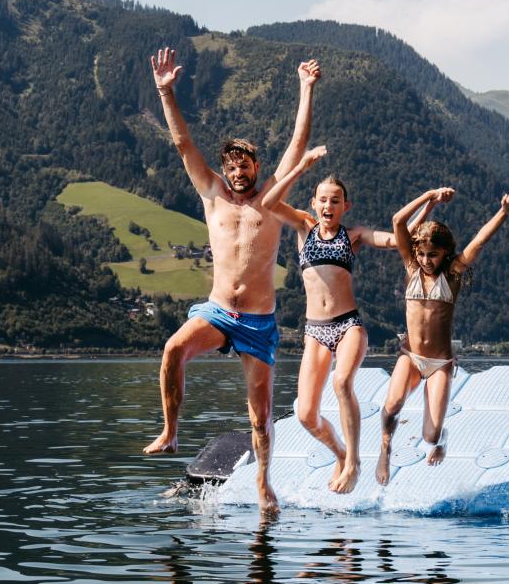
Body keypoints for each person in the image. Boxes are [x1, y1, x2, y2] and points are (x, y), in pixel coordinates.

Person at [142, 48, 321, 515]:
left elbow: (297, 147)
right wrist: (165, 92)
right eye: (232, 166)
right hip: (219, 311)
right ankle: (171, 431)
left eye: (247, 166)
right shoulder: (212, 193)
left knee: (260, 417)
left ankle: (263, 483)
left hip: (259, 320)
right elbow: (183, 144)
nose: (239, 173)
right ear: (225, 170)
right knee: (172, 350)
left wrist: (305, 89)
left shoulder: (272, 198)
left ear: (257, 168)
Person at [253, 154, 402, 492]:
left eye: (335, 200)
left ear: (345, 205)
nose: (328, 205)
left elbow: (393, 240)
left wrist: (417, 219)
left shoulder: (353, 236)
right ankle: (339, 453)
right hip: (315, 332)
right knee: (306, 414)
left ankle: (353, 463)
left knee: (342, 383)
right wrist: (301, 168)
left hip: (348, 325)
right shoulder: (304, 227)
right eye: (323, 199)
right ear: (314, 204)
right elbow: (269, 201)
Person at [375, 183, 509, 483]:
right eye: (421, 254)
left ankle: (442, 437)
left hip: (440, 365)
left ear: (445, 253)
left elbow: (480, 242)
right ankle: (385, 449)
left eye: (432, 255)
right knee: (392, 406)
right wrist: (429, 196)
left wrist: (504, 212)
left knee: (430, 435)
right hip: (410, 357)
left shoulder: (453, 273)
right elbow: (398, 222)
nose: (425, 260)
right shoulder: (411, 268)